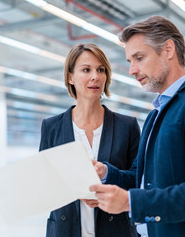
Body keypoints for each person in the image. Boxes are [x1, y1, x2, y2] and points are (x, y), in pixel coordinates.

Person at [89, 16, 185, 237]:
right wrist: (106, 174)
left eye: (139, 58)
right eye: (130, 61)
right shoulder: (155, 114)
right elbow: (143, 179)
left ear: (168, 49)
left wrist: (131, 202)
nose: (132, 70)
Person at [39, 43, 140, 237]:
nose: (95, 76)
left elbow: (138, 180)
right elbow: (45, 184)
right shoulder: (51, 127)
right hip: (65, 231)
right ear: (70, 77)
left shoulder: (127, 127)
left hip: (116, 231)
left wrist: (108, 174)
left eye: (100, 70)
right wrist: (73, 190)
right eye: (86, 69)